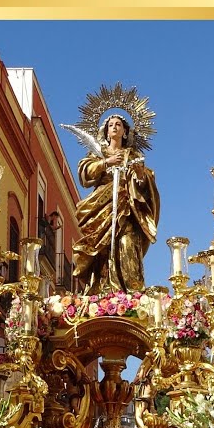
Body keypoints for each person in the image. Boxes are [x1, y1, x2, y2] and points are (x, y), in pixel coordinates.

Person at [70, 113, 161, 293]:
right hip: (103, 209)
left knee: (128, 245)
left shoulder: (133, 154)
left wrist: (141, 175)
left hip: (128, 209)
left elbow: (145, 184)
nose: (114, 127)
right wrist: (106, 162)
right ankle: (104, 291)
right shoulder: (98, 152)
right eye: (111, 124)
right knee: (104, 251)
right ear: (106, 131)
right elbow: (85, 172)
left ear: (125, 132)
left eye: (118, 124)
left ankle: (132, 292)